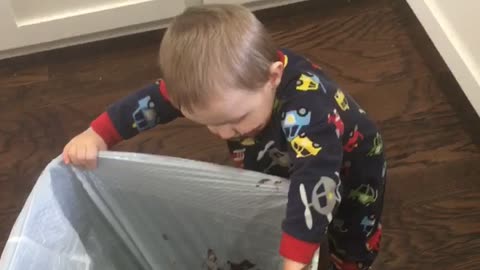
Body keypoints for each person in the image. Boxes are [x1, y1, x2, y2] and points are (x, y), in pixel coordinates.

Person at [62, 4, 386, 270]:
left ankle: (352, 262)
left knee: (353, 227)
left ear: (272, 77)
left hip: (348, 164)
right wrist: (98, 134)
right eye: (209, 124)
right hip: (280, 152)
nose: (223, 133)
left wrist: (295, 259)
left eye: (234, 121)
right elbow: (149, 103)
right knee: (277, 189)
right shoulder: (229, 89)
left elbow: (317, 180)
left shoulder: (307, 108)